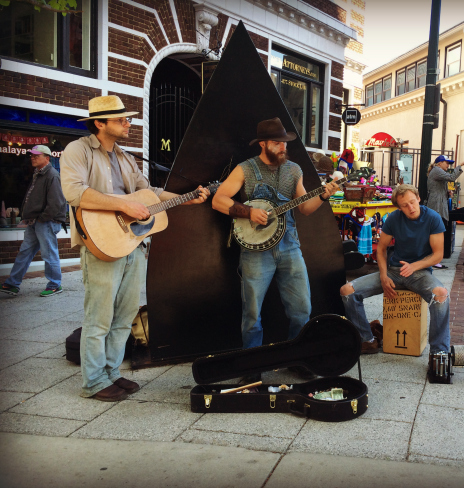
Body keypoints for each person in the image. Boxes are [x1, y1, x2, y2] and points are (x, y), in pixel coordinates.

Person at [60, 95, 209, 402]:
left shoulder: (126, 157)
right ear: (99, 123)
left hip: (132, 242)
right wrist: (124, 205)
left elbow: (149, 192)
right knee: (99, 316)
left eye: (127, 119)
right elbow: (74, 192)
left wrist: (186, 196)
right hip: (101, 242)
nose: (128, 123)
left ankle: (111, 373)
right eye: (121, 119)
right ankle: (93, 381)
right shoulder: (78, 150)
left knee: (125, 313)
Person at [212, 117, 339, 383]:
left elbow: (304, 207)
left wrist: (324, 194)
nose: (283, 147)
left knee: (301, 308)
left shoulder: (293, 170)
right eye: (277, 143)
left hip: (290, 246)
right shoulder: (245, 169)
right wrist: (248, 211)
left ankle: (297, 359)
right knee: (252, 312)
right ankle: (251, 366)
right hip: (256, 251)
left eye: (284, 143)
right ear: (264, 144)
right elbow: (218, 200)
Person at [340, 184, 451, 373]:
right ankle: (367, 339)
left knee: (440, 295)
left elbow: (438, 255)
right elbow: (381, 249)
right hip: (393, 270)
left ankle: (438, 353)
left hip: (420, 273)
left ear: (418, 198)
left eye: (412, 202)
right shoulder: (393, 218)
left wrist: (414, 266)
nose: (410, 207)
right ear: (398, 207)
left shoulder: (432, 218)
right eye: (404, 205)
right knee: (347, 291)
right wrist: (383, 275)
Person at [1, 145, 67, 297]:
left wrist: (42, 219)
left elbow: (56, 203)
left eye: (37, 155)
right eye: (32, 155)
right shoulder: (38, 174)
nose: (32, 157)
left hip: (45, 222)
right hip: (34, 222)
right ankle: (12, 284)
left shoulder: (52, 175)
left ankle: (55, 285)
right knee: (25, 252)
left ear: (47, 158)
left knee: (49, 254)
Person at [426, 155, 464, 268]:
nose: (448, 165)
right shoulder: (436, 170)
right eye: (447, 163)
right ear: (439, 163)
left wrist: (447, 193)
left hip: (439, 205)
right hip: (436, 206)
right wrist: (459, 166)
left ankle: (434, 258)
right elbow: (451, 177)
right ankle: (433, 259)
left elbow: (438, 188)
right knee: (436, 232)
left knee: (438, 231)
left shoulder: (437, 171)